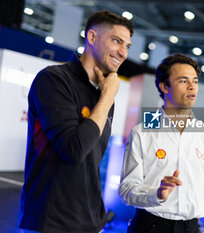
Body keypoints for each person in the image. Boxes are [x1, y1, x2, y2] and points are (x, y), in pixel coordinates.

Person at [19, 11, 133, 233]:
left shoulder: (103, 91)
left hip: (91, 222)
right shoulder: (53, 80)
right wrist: (108, 97)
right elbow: (73, 149)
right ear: (91, 38)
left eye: (127, 46)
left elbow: (92, 160)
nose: (123, 52)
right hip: (50, 223)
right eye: (117, 41)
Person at [119, 54, 204, 233]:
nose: (192, 87)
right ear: (164, 86)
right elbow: (127, 189)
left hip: (191, 227)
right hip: (150, 226)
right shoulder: (143, 132)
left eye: (195, 81)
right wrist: (156, 194)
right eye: (183, 81)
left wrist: (194, 212)